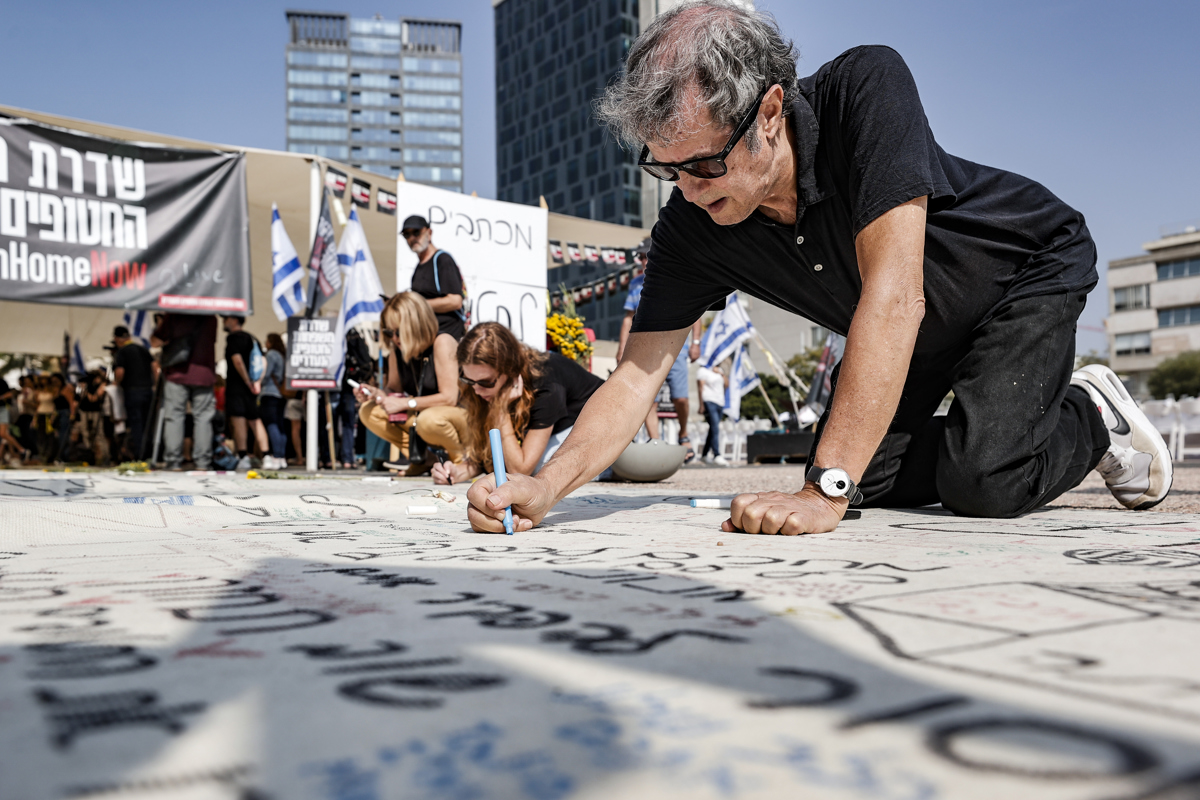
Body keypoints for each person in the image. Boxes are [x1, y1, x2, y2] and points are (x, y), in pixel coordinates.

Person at [467, 1, 1171, 535]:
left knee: (981, 480)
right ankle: (983, 438)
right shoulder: (691, 224)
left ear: (770, 110)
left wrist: (823, 494)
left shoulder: (866, 88)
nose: (689, 189)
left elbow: (896, 297)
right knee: (853, 468)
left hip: (1020, 270)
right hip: (919, 330)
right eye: (666, 168)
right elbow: (634, 376)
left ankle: (1090, 415)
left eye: (707, 164)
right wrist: (549, 487)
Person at [432, 322, 606, 486]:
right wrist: (456, 471)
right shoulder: (484, 386)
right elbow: (490, 457)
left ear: (509, 370)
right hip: (574, 433)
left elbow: (520, 469)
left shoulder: (546, 384)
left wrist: (501, 413)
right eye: (468, 380)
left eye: (485, 382)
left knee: (546, 466)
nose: (477, 389)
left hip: (611, 429)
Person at [354, 292, 466, 477]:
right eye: (389, 332)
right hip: (424, 416)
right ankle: (423, 459)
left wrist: (407, 403)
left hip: (458, 417)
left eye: (399, 331)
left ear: (416, 325)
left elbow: (450, 398)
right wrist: (376, 393)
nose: (395, 337)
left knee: (429, 419)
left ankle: (462, 463)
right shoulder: (396, 350)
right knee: (369, 411)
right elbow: (393, 391)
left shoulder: (442, 342)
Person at [617, 237, 702, 462]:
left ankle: (684, 433)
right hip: (645, 349)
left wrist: (696, 343)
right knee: (648, 397)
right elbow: (628, 318)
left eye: (647, 256)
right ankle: (656, 442)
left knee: (680, 398)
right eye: (641, 257)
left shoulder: (675, 276)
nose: (644, 261)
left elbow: (696, 314)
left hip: (677, 347)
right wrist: (621, 348)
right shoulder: (635, 284)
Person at [153, 313, 217, 470]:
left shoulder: (173, 315)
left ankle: (174, 461)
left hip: (177, 373)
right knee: (203, 418)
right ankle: (202, 462)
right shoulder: (210, 317)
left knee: (174, 417)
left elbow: (155, 341)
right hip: (204, 373)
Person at [403, 214, 466, 340]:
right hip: (427, 336)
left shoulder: (442, 260)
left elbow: (455, 301)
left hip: (447, 337)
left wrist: (418, 304)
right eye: (407, 234)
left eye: (416, 232)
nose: (412, 238)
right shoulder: (418, 268)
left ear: (429, 233)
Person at [221, 315, 266, 470]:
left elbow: (237, 360)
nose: (224, 322)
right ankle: (267, 456)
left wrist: (247, 381)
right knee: (255, 420)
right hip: (253, 386)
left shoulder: (233, 339)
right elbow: (263, 360)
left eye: (225, 319)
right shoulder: (252, 338)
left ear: (233, 320)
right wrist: (258, 381)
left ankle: (243, 456)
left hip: (238, 386)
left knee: (238, 420)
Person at [112, 325, 156, 461]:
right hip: (147, 390)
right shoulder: (143, 349)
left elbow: (120, 372)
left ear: (117, 339)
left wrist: (115, 383)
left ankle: (140, 455)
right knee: (148, 424)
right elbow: (155, 367)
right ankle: (150, 453)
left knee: (136, 424)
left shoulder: (122, 352)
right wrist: (154, 384)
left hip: (132, 391)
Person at [258, 333, 288, 470]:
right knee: (280, 425)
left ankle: (275, 456)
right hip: (280, 394)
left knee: (271, 424)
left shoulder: (271, 355)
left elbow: (265, 373)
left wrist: (257, 381)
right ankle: (281, 456)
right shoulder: (283, 355)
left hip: (269, 392)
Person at [696, 363, 729, 466]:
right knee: (715, 427)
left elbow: (727, 385)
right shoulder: (702, 370)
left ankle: (704, 455)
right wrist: (701, 405)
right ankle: (717, 455)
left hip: (720, 402)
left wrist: (721, 373)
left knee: (713, 429)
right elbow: (700, 388)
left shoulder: (719, 370)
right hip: (709, 401)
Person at [76, 370, 110, 465]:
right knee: (85, 433)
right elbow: (78, 399)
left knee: (99, 434)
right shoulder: (89, 385)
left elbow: (94, 398)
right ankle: (89, 455)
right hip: (84, 411)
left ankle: (103, 457)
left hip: (97, 412)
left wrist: (85, 391)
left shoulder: (103, 384)